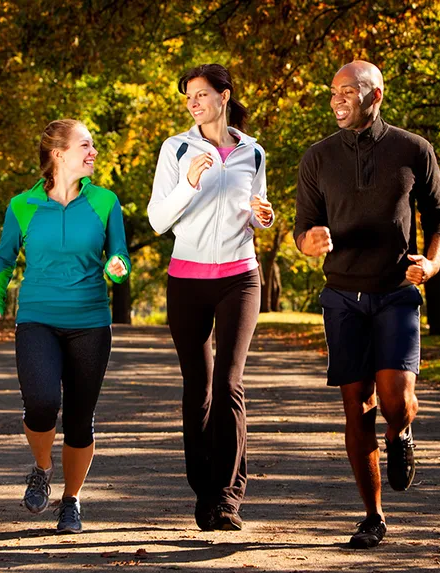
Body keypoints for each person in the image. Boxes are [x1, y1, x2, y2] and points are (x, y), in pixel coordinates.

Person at [294, 61, 440, 549]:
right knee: (356, 409)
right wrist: (309, 243)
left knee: (393, 402)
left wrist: (433, 263)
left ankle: (402, 434)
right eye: (333, 91)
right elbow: (303, 228)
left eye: (347, 91)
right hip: (341, 295)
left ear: (375, 96)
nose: (337, 99)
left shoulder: (413, 150)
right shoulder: (317, 158)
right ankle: (373, 516)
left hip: (395, 294)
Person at [0, 119, 130, 534]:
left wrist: (117, 269)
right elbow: (4, 258)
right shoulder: (22, 205)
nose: (93, 152)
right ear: (59, 154)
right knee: (42, 403)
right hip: (37, 318)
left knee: (81, 420)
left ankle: (71, 502)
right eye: (86, 145)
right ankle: (42, 468)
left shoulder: (105, 202)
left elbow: (118, 255)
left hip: (90, 322)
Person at [148, 63, 274, 532]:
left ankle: (227, 498)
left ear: (224, 97)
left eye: (201, 95)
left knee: (229, 384)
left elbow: (254, 214)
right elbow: (158, 219)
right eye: (188, 98)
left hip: (240, 277)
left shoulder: (254, 152)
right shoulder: (176, 149)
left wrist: (264, 217)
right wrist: (189, 183)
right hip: (187, 280)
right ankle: (203, 490)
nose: (193, 103)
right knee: (197, 389)